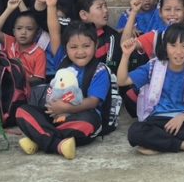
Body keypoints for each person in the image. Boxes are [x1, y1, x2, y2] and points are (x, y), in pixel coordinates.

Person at [15, 16, 116, 160]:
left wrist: (66, 108)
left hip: (82, 115)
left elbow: (93, 101)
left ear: (96, 45)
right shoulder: (62, 60)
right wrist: (51, 6)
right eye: (73, 47)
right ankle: (58, 144)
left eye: (86, 46)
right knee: (22, 111)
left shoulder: (100, 70)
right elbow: (54, 31)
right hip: (55, 115)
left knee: (87, 124)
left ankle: (40, 137)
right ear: (65, 48)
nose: (80, 52)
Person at [119, 25, 184, 154]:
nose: (178, 52)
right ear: (165, 47)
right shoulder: (153, 67)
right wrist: (125, 55)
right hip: (158, 121)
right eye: (173, 46)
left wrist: (181, 117)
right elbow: (122, 81)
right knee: (135, 131)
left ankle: (158, 143)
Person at [0, 0, 46, 83]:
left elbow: (38, 79)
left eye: (29, 29)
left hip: (27, 89)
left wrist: (18, 79)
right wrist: (9, 9)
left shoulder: (39, 53)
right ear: (14, 31)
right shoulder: (10, 42)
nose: (23, 32)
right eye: (19, 28)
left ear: (36, 33)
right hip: (6, 87)